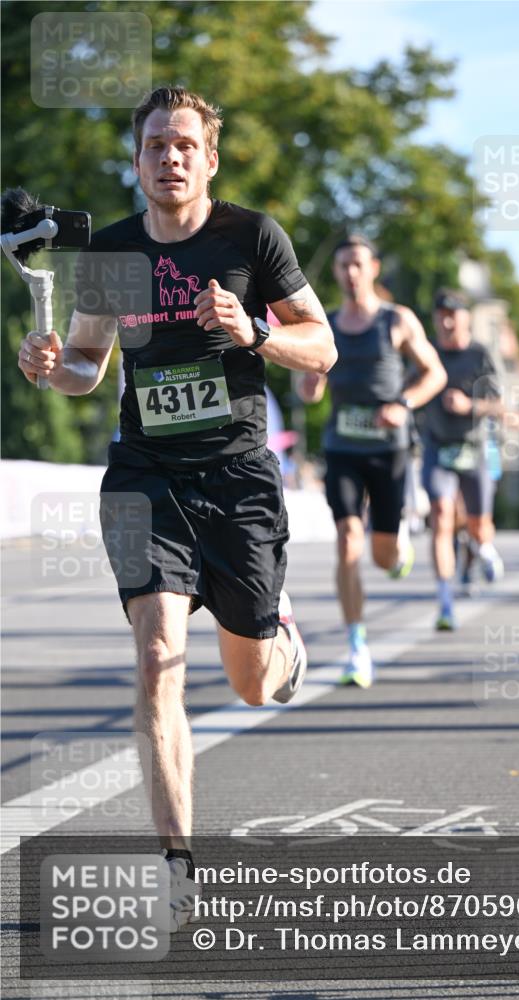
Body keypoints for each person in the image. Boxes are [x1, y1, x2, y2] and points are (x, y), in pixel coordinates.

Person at [16, 86, 337, 928]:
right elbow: (88, 364)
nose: (171, 157)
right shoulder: (113, 254)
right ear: (137, 161)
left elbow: (324, 348)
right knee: (159, 659)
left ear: (210, 158)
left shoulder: (250, 236)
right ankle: (177, 865)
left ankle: (281, 639)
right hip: (143, 476)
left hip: (236, 479)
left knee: (252, 686)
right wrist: (54, 366)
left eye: (185, 143)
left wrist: (255, 332)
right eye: (156, 144)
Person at [299, 235, 446, 687]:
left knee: (382, 558)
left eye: (358, 264)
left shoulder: (396, 320)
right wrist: (311, 382)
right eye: (343, 265)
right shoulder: (323, 324)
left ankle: (396, 541)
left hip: (388, 449)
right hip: (342, 446)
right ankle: (356, 646)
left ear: (374, 268)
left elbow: (435, 373)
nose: (351, 272)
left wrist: (403, 402)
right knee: (347, 541)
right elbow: (308, 391)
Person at [419, 290, 505, 631]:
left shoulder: (479, 354)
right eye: (441, 314)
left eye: (453, 314)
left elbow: (498, 405)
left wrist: (470, 406)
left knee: (477, 524)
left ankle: (485, 548)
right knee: (441, 516)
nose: (447, 321)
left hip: (474, 449)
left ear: (466, 318)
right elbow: (409, 385)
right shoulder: (428, 352)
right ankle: (445, 601)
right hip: (437, 447)